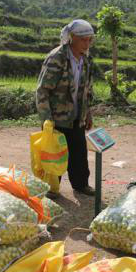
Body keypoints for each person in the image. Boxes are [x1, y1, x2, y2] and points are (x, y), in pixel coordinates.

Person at [36, 19, 96, 198]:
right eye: (83, 40)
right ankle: (51, 188)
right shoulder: (57, 57)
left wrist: (88, 113)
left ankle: (81, 184)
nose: (87, 44)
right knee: (55, 154)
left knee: (79, 152)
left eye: (89, 40)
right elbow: (42, 90)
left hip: (77, 115)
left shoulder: (86, 60)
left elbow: (87, 90)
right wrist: (47, 119)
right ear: (72, 38)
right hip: (57, 117)